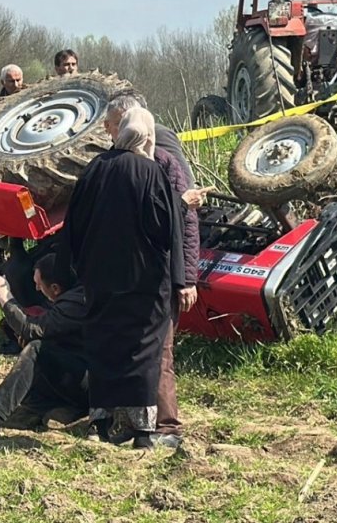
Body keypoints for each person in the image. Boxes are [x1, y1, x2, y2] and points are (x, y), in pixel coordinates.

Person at [56, 103, 183, 448]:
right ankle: (143, 432)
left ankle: (103, 422)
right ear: (147, 135)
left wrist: (72, 268)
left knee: (103, 345)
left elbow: (74, 223)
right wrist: (177, 277)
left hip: (99, 277)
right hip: (143, 280)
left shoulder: (94, 169)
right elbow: (165, 231)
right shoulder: (149, 171)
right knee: (143, 348)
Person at [103, 95, 204, 448]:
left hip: (164, 275)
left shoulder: (164, 163)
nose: (110, 130)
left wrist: (187, 278)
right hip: (132, 277)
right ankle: (134, 422)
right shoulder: (113, 166)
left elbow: (185, 223)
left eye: (115, 124)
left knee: (160, 351)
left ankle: (168, 426)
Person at [0, 254, 88, 435]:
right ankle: (37, 408)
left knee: (36, 350)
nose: (37, 289)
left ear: (55, 288)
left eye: (39, 286)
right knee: (41, 349)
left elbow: (30, 329)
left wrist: (5, 299)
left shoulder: (73, 304)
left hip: (89, 384)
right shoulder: (76, 296)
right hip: (82, 375)